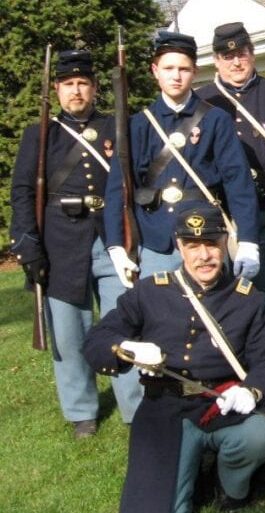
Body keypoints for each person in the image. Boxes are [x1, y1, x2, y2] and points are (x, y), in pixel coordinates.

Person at [84, 204, 265, 513]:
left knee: (260, 435)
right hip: (165, 409)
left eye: (211, 244)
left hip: (224, 405)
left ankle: (231, 487)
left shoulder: (247, 300)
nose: (203, 256)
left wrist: (251, 391)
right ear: (180, 247)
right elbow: (97, 340)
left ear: (225, 244)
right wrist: (125, 348)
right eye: (193, 246)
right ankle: (187, 474)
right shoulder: (150, 293)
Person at [9, 49, 142, 437]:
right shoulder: (40, 134)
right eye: (68, 84)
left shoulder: (116, 127)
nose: (76, 90)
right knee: (68, 330)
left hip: (111, 238)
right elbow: (22, 193)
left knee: (124, 322)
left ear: (96, 87)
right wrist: (27, 243)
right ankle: (81, 409)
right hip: (60, 241)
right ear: (57, 89)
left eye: (83, 83)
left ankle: (134, 406)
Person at [196, 22, 265, 405]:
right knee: (227, 302)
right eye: (227, 56)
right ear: (216, 60)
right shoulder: (203, 102)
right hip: (222, 221)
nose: (236, 62)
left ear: (252, 54)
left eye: (241, 53)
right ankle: (233, 376)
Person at [104, 31, 260, 286]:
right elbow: (117, 187)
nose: (176, 76)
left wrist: (248, 241)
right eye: (168, 68)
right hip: (157, 239)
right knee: (159, 319)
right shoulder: (138, 124)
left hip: (207, 238)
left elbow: (237, 181)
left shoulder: (215, 119)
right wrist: (116, 245)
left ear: (195, 72)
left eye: (184, 69)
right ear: (155, 70)